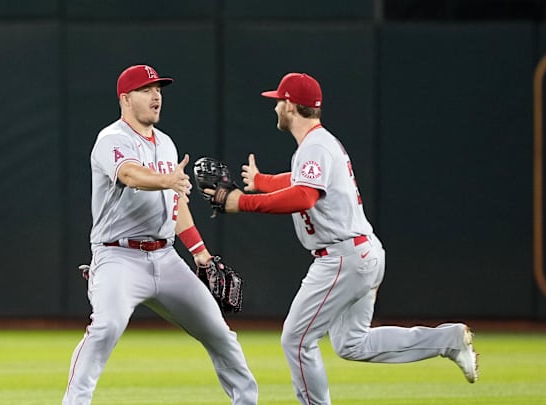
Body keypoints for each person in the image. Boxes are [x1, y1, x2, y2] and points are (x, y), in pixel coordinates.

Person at [203, 72, 479, 405]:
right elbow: (300, 180)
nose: (275, 106)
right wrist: (262, 181)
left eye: (278, 101)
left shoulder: (316, 145)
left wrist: (242, 202)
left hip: (342, 257)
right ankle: (447, 341)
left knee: (296, 339)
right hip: (362, 252)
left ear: (290, 105)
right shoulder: (318, 144)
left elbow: (304, 196)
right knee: (353, 343)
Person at [62, 64, 258, 405]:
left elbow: (176, 205)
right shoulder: (111, 139)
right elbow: (129, 174)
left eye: (159, 90)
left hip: (165, 257)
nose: (156, 96)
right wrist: (166, 180)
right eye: (146, 90)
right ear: (125, 98)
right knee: (105, 328)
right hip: (118, 257)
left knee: (220, 334)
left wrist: (200, 252)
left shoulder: (166, 144)